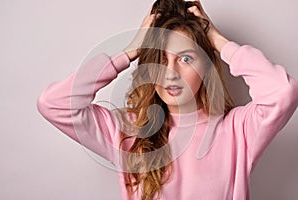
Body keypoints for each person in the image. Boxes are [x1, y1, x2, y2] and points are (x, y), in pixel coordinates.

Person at [37, 0, 298, 199]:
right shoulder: (127, 133)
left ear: (206, 68)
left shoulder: (237, 130)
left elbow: (283, 92)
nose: (170, 72)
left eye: (185, 59)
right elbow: (54, 103)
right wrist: (130, 51)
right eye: (161, 59)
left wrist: (217, 40)